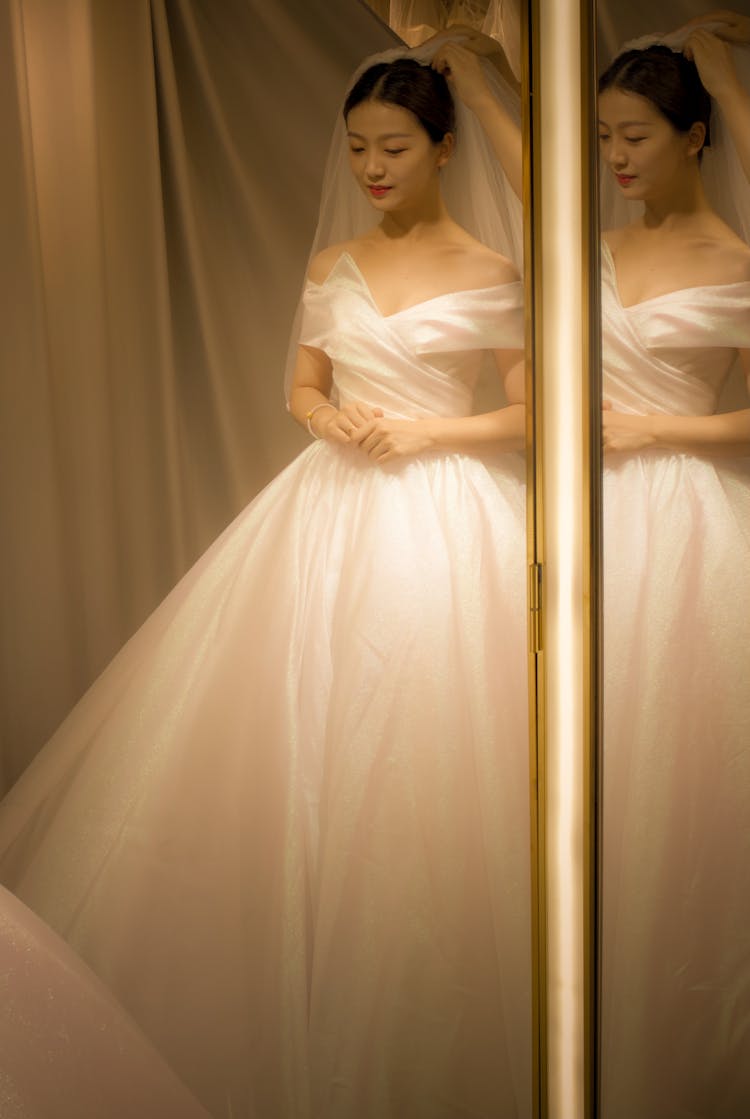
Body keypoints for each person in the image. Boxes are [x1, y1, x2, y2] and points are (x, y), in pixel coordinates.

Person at [0, 52, 532, 1119]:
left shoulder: (491, 270)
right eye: (357, 149)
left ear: (442, 149)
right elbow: (300, 382)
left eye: (392, 148)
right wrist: (324, 417)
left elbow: (532, 409)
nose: (372, 167)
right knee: (297, 741)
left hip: (443, 516)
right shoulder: (332, 261)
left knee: (433, 748)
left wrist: (426, 430)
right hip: (328, 506)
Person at [437, 17, 750, 1117]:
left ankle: (678, 1030)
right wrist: (479, 79)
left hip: (689, 520)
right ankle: (568, 1003)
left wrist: (665, 430)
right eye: (604, 137)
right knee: (555, 759)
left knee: (680, 768)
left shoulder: (738, 262)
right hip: (580, 520)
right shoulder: (592, 245)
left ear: (697, 138)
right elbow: (536, 172)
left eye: (637, 138)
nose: (614, 158)